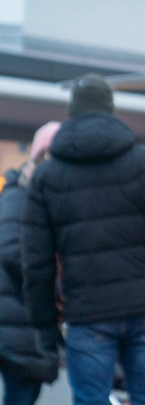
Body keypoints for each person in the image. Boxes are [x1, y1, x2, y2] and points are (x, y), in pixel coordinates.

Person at [21, 74, 145, 405]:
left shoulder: (46, 176)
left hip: (87, 313)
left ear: (71, 114)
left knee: (90, 399)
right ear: (110, 111)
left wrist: (45, 328)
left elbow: (36, 261)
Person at [0, 122, 62, 405]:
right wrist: (50, 281)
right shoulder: (18, 195)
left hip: (22, 321)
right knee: (21, 395)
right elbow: (11, 250)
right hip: (17, 321)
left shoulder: (34, 195)